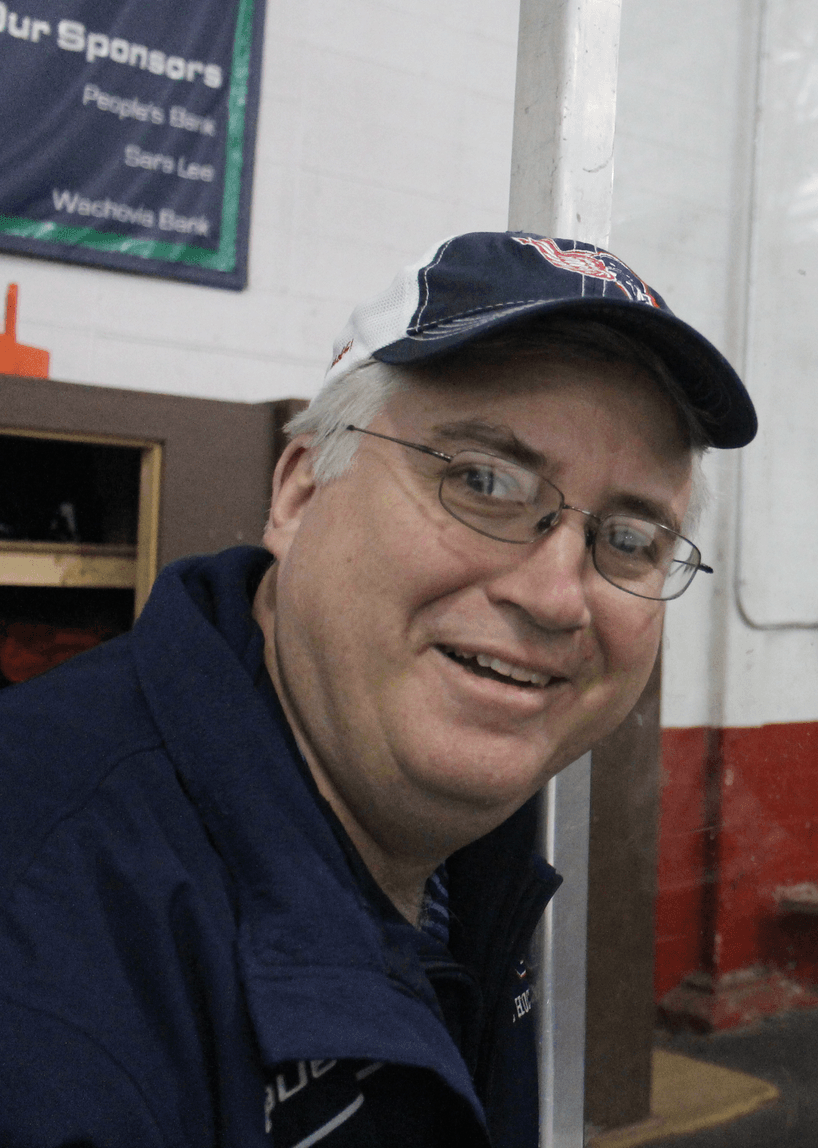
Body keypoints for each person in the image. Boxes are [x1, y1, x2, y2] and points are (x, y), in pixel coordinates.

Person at [0, 231, 755, 1146]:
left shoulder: (468, 860)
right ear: (301, 491)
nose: (558, 596)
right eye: (485, 482)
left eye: (632, 540)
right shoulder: (43, 934)